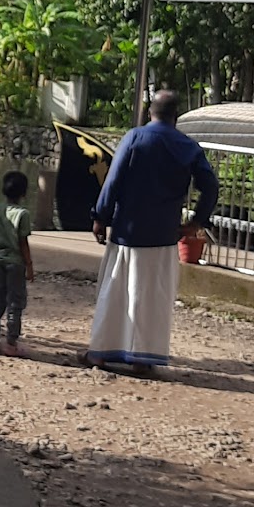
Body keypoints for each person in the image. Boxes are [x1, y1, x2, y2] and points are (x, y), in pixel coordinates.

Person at [83, 89, 218, 377]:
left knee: (116, 291)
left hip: (127, 231)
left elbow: (114, 179)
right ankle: (143, 358)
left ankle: (101, 353)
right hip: (164, 234)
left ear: (149, 112)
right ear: (175, 116)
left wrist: (100, 216)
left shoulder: (134, 138)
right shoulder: (188, 146)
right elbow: (211, 186)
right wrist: (197, 221)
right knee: (153, 298)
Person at [0, 169, 36, 358]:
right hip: (16, 263)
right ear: (23, 193)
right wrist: (29, 265)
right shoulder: (23, 214)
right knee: (15, 302)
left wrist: (1, 246)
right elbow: (23, 242)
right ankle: (11, 343)